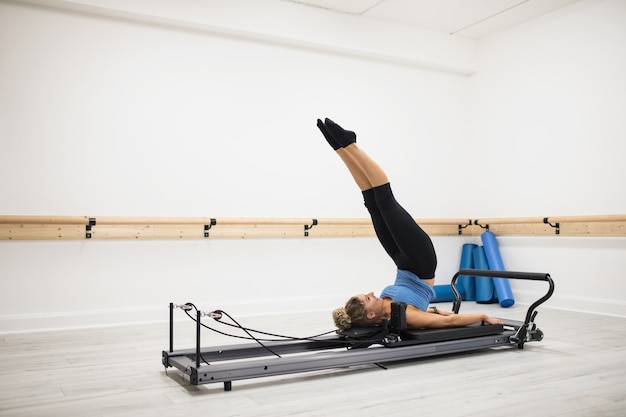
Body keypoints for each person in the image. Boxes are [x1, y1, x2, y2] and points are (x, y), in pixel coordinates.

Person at [316, 118, 503, 331]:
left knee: (372, 204)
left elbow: (429, 312)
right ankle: (351, 144)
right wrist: (484, 316)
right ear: (371, 314)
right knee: (385, 200)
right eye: (367, 298)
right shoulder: (405, 315)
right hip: (421, 261)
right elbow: (448, 321)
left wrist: (433, 310)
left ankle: (340, 149)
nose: (370, 293)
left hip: (402, 263)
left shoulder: (385, 312)